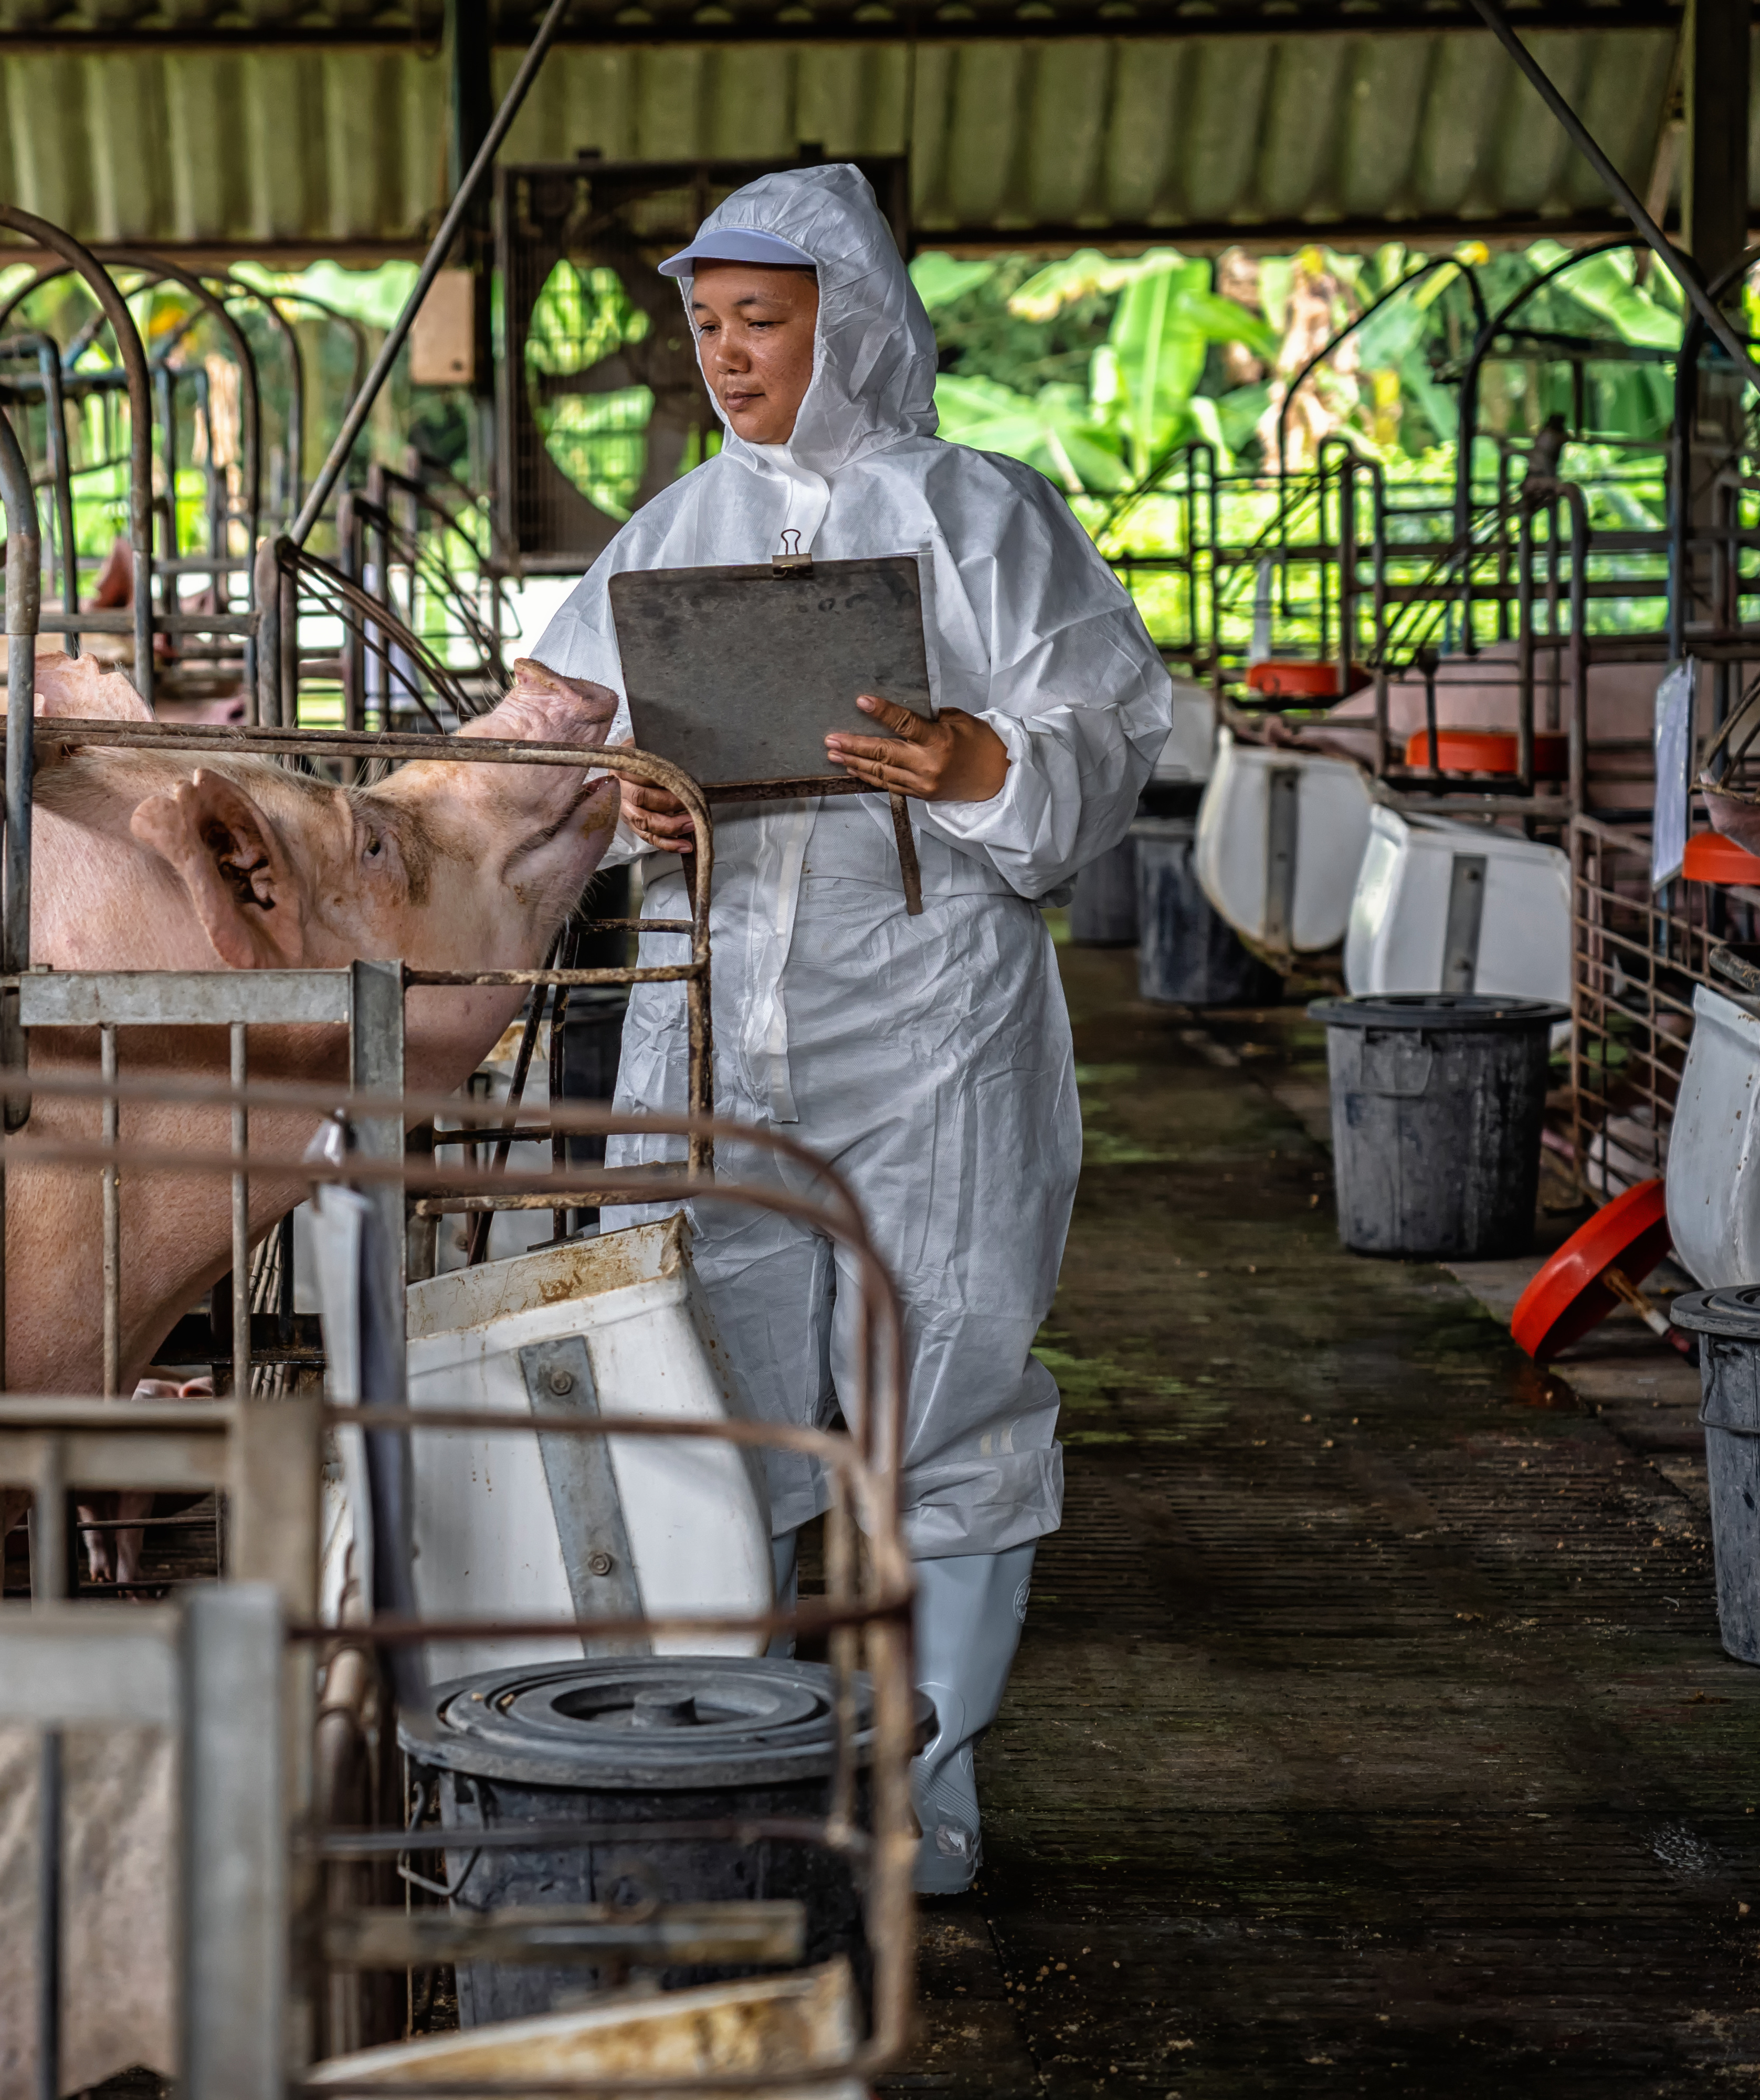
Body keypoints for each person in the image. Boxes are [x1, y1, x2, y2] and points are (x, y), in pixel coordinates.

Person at [524, 164, 1169, 1892]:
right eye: (709, 326)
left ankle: (927, 1778)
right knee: (709, 1374)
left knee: (942, 1372)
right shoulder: (671, 530)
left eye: (763, 321)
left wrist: (983, 762)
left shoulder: (979, 513)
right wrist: (629, 806)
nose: (728, 359)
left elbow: (1107, 730)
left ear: (852, 321)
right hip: (716, 1018)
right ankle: (739, 1758)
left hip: (930, 1012)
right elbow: (569, 757)